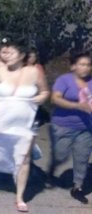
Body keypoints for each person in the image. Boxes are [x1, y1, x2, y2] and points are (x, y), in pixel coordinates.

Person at [0, 39, 49, 212]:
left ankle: (20, 196)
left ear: (21, 55)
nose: (6, 55)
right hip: (2, 122)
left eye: (10, 52)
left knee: (24, 159)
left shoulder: (34, 72)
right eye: (4, 52)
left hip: (26, 123)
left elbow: (45, 91)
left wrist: (41, 98)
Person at [47, 52, 92, 204]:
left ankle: (77, 188)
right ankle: (53, 168)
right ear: (73, 66)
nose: (85, 68)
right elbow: (55, 98)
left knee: (82, 157)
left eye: (88, 65)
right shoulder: (64, 80)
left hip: (85, 127)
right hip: (63, 125)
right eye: (82, 64)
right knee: (60, 155)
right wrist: (78, 106)